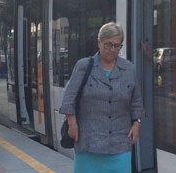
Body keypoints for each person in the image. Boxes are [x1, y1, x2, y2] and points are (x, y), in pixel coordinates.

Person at [60, 22, 144, 173]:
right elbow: (68, 98)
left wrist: (136, 124)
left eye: (117, 46)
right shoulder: (84, 66)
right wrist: (72, 124)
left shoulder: (129, 69)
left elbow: (137, 101)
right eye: (108, 44)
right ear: (99, 42)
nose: (112, 50)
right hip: (88, 143)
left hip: (120, 144)